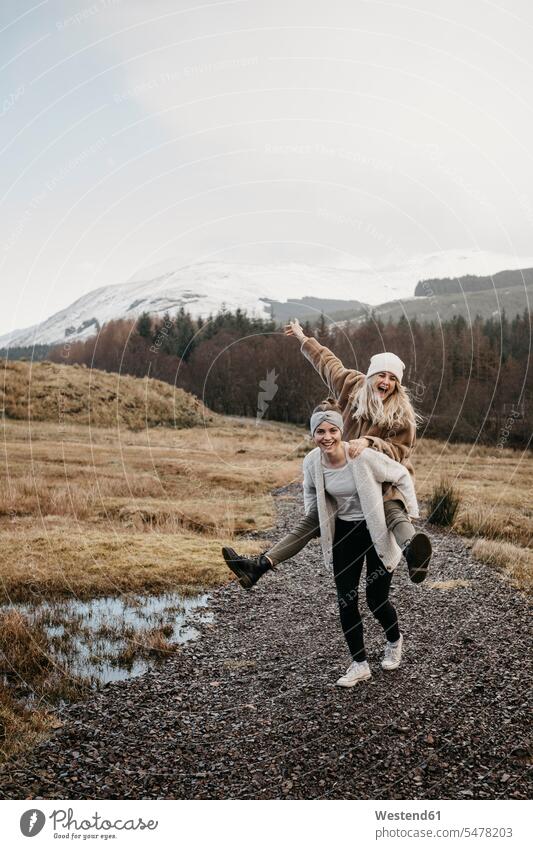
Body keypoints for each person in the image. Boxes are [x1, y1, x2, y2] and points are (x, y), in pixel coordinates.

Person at [222, 320, 432, 588]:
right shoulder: (352, 386)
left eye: (392, 379)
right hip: (345, 475)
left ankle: (413, 552)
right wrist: (303, 338)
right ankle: (257, 567)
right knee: (313, 519)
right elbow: (327, 362)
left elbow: (399, 454)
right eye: (382, 375)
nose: (386, 382)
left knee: (391, 505)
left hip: (383, 481)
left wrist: (369, 442)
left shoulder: (402, 416)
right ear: (371, 376)